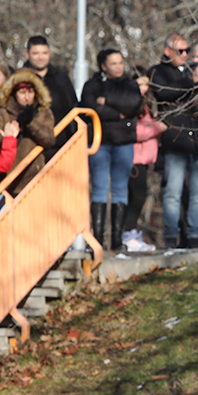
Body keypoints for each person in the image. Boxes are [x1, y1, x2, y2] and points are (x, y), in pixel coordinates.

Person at [149, 34, 198, 249]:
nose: (186, 55)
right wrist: (193, 80)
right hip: (175, 141)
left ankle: (195, 236)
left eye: (188, 50)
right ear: (168, 51)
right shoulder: (158, 72)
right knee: (172, 192)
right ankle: (171, 236)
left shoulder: (196, 71)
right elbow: (165, 93)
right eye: (181, 51)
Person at [81, 48, 143, 249]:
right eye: (113, 63)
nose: (119, 67)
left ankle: (117, 241)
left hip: (124, 142)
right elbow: (90, 108)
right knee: (99, 189)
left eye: (120, 62)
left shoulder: (130, 84)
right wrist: (118, 114)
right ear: (103, 66)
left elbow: (133, 105)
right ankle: (97, 240)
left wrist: (107, 102)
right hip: (100, 142)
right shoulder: (92, 85)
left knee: (120, 190)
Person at [0, 69, 55, 195]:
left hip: (34, 174)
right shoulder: (3, 112)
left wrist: (30, 123)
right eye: (22, 92)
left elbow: (49, 140)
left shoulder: (43, 112)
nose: (27, 97)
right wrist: (8, 135)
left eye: (30, 92)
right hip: (9, 174)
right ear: (14, 93)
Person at [123, 72, 163, 252]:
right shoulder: (130, 105)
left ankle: (132, 233)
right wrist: (157, 128)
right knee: (137, 197)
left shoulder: (147, 105)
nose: (144, 88)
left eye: (146, 84)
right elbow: (135, 132)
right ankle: (127, 234)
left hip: (144, 160)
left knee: (139, 197)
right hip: (134, 159)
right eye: (140, 84)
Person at [23, 35, 79, 160]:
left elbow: (73, 107)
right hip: (31, 147)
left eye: (44, 53)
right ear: (27, 53)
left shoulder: (61, 78)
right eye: (36, 53)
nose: (40, 57)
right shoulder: (20, 77)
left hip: (61, 146)